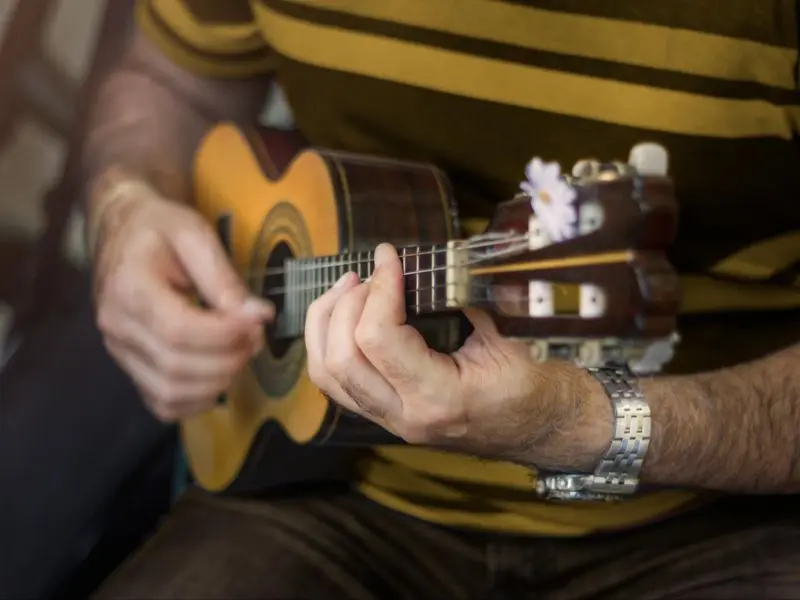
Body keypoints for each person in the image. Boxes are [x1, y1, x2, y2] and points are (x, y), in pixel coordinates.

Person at [85, 1, 800, 598]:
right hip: (327, 491)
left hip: (708, 508)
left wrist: (584, 425)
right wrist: (123, 206)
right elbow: (171, 80)